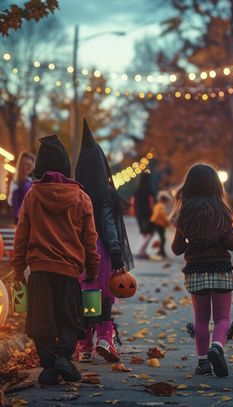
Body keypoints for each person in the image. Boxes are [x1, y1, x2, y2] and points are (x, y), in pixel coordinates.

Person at [12, 135, 99, 385]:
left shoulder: (32, 196)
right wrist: (91, 268)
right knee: (71, 319)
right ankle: (63, 357)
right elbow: (89, 239)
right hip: (69, 271)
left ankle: (49, 365)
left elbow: (22, 235)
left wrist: (19, 269)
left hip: (39, 271)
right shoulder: (81, 198)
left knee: (41, 321)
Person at [170, 163, 233, 377]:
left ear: (189, 186)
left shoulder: (184, 215)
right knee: (222, 318)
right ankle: (217, 347)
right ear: (216, 187)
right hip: (221, 269)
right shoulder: (223, 213)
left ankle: (202, 363)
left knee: (200, 318)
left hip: (196, 271)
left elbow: (176, 248)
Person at [75, 119, 134, 363]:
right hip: (104, 255)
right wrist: (117, 255)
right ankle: (105, 338)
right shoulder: (105, 196)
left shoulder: (75, 194)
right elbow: (110, 227)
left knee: (86, 298)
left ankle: (85, 345)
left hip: (80, 254)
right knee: (105, 298)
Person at [8, 151, 35, 224]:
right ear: (21, 165)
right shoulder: (17, 186)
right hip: (25, 223)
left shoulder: (30, 183)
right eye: (26, 164)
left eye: (30, 165)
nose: (28, 167)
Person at [133, 171, 155, 258]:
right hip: (147, 214)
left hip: (139, 214)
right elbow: (151, 203)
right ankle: (140, 250)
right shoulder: (149, 189)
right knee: (150, 233)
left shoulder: (137, 190)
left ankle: (142, 251)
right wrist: (153, 212)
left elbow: (132, 202)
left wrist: (134, 211)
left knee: (144, 233)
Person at [150, 192, 171, 258]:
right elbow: (163, 215)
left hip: (157, 223)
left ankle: (161, 251)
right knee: (163, 238)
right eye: (167, 200)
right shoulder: (161, 206)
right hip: (159, 224)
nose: (167, 202)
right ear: (164, 200)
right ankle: (162, 252)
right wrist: (168, 221)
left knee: (162, 238)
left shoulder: (157, 205)